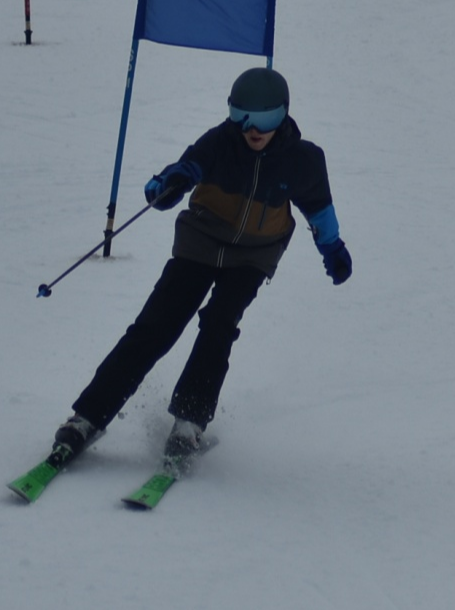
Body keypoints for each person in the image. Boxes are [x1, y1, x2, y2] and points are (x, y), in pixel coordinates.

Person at [50, 67, 351, 462]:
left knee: (219, 324)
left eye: (265, 119)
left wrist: (333, 248)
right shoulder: (220, 143)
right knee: (156, 326)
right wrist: (167, 186)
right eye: (241, 115)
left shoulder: (303, 160)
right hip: (200, 243)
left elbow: (320, 209)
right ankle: (88, 417)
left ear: (283, 114)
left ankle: (189, 423)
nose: (252, 129)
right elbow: (180, 171)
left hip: (254, 255)